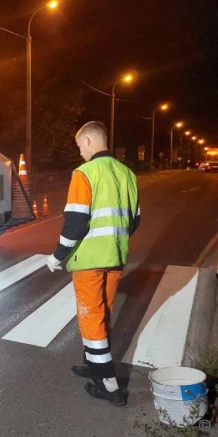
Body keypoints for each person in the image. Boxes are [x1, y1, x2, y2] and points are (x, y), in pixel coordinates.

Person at [46, 121, 140, 407]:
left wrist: (57, 256)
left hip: (88, 259)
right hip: (115, 256)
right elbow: (134, 220)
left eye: (79, 146)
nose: (80, 152)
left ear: (87, 141)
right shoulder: (127, 174)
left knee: (90, 316)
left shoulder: (84, 173)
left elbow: (75, 221)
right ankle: (92, 363)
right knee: (103, 314)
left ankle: (109, 385)